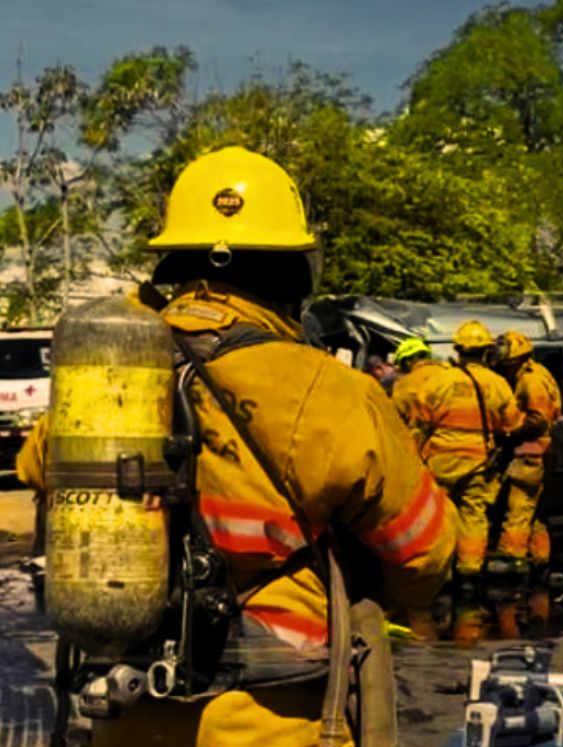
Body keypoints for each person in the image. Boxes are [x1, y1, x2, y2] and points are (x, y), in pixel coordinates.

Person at [17, 146, 456, 746]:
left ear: (173, 258)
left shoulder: (107, 374)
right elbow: (421, 550)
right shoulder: (329, 391)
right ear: (293, 270)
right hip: (272, 716)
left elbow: (39, 466)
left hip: (127, 714)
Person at [412, 320, 538, 578]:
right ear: (485, 352)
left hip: (440, 461)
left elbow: (419, 425)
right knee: (474, 514)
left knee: (439, 515)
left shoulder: (438, 381)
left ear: (458, 350)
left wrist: (414, 458)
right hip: (478, 463)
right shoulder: (498, 384)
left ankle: (440, 571)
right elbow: (512, 425)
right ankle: (469, 571)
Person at [492, 331, 561, 567]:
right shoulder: (527, 376)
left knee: (518, 510)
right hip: (540, 453)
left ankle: (512, 558)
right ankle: (539, 560)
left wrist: (508, 432)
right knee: (536, 514)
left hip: (531, 454)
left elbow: (538, 420)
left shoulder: (530, 380)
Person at [390, 337, 444, 430]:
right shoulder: (449, 373)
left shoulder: (403, 384)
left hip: (422, 440)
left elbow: (395, 418)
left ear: (407, 362)